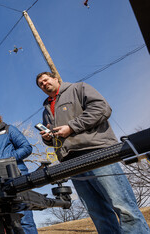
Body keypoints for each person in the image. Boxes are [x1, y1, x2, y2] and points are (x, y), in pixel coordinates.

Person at [36, 72, 149, 233]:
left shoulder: (78, 88)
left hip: (96, 153)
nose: (44, 84)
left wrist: (71, 127)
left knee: (123, 206)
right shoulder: (46, 110)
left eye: (46, 80)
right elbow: (54, 138)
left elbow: (102, 108)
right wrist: (48, 138)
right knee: (97, 213)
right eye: (40, 84)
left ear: (55, 78)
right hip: (70, 163)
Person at [0, 108, 38, 234]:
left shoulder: (9, 129)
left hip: (16, 176)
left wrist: (9, 159)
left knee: (24, 217)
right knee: (8, 220)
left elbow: (27, 148)